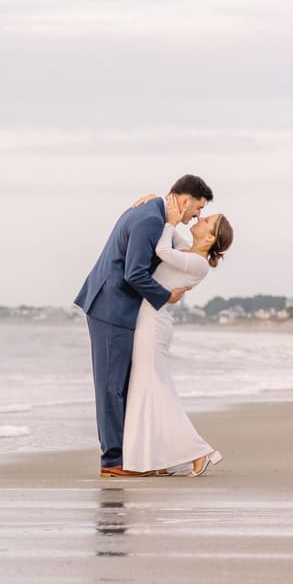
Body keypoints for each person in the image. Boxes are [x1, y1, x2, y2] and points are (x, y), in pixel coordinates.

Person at [73, 174, 213, 477]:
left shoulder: (153, 213)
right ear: (185, 199)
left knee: (120, 384)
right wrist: (167, 296)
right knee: (111, 386)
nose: (197, 215)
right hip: (111, 307)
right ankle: (113, 461)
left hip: (118, 307)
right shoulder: (150, 219)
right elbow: (134, 273)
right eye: (198, 208)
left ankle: (128, 456)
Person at [122, 196, 235, 476]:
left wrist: (171, 221)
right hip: (150, 319)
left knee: (154, 389)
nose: (199, 218)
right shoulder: (190, 253)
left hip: (153, 323)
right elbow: (172, 237)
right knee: (150, 388)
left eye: (207, 221)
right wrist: (155, 200)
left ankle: (198, 451)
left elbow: (162, 249)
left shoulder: (198, 264)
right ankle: (161, 459)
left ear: (210, 238)